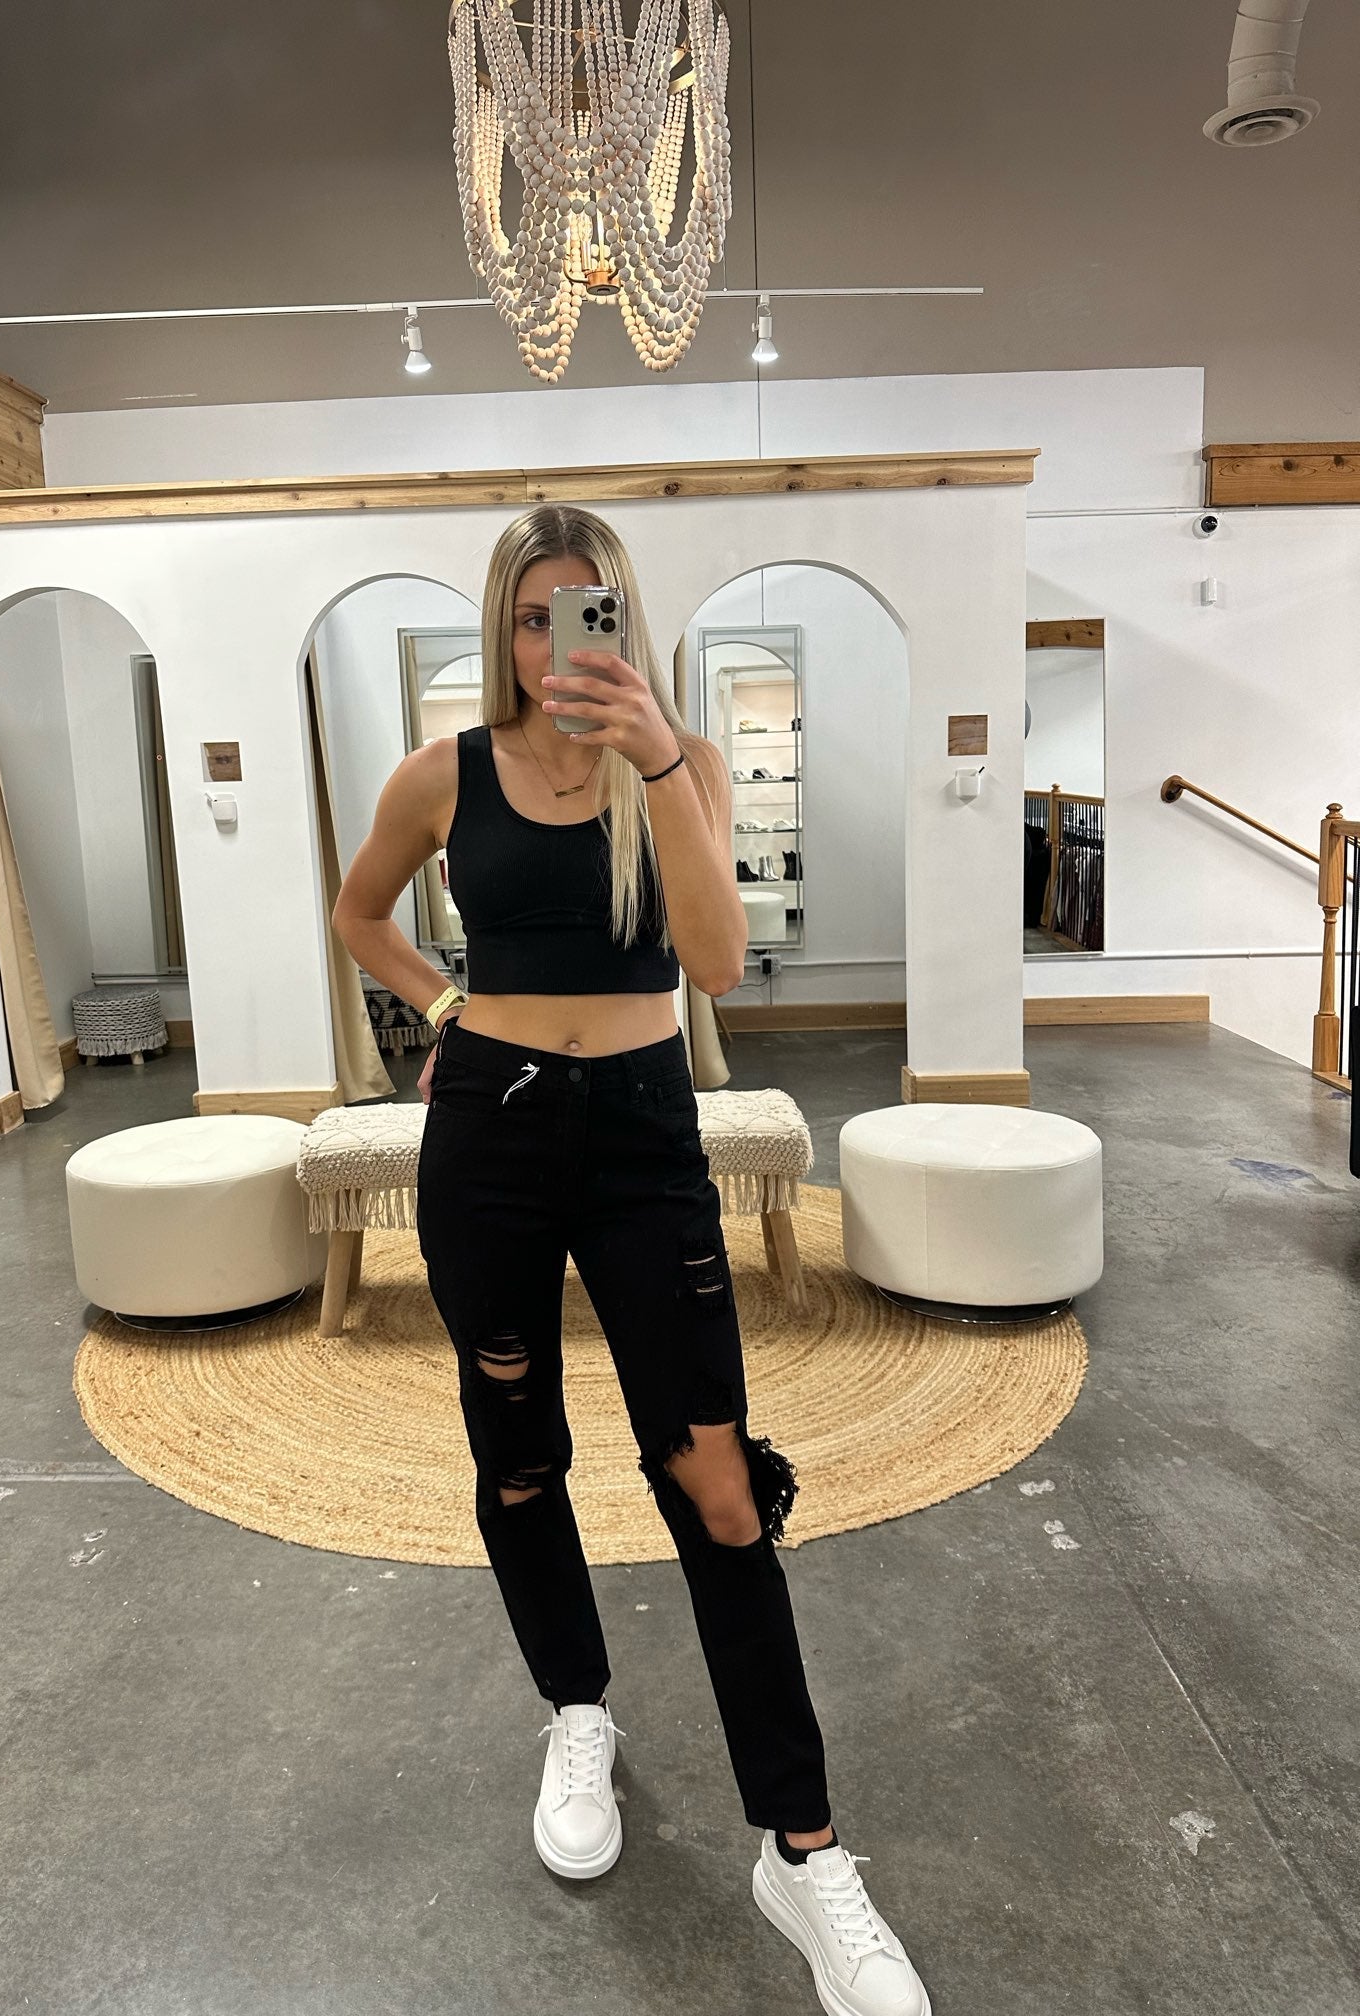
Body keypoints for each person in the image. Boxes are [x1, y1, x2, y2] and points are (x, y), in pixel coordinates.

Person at [332, 503, 929, 2016]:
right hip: (490, 1132)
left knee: (716, 1480)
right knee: (517, 1450)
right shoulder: (442, 774)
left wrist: (659, 761)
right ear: (502, 628)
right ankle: (577, 1710)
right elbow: (359, 911)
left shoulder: (685, 768)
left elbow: (715, 963)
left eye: (580, 613)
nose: (554, 648)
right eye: (529, 619)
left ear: (622, 619)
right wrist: (444, 1007)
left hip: (648, 1135)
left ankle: (803, 1850)